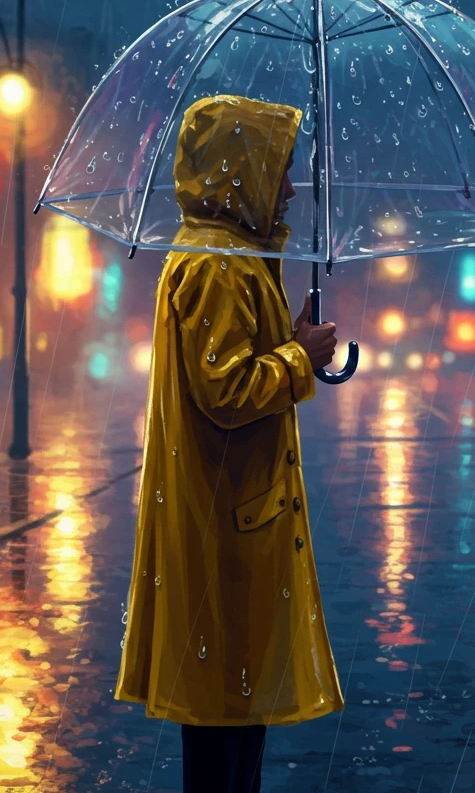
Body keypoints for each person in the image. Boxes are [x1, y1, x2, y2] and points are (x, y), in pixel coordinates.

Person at [115, 94, 344, 793]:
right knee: (225, 732)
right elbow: (227, 390)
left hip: (230, 523)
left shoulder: (230, 256)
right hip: (225, 533)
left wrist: (290, 340)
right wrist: (299, 357)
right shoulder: (219, 264)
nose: (291, 189)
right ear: (243, 170)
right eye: (280, 170)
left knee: (235, 717)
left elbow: (230, 368)